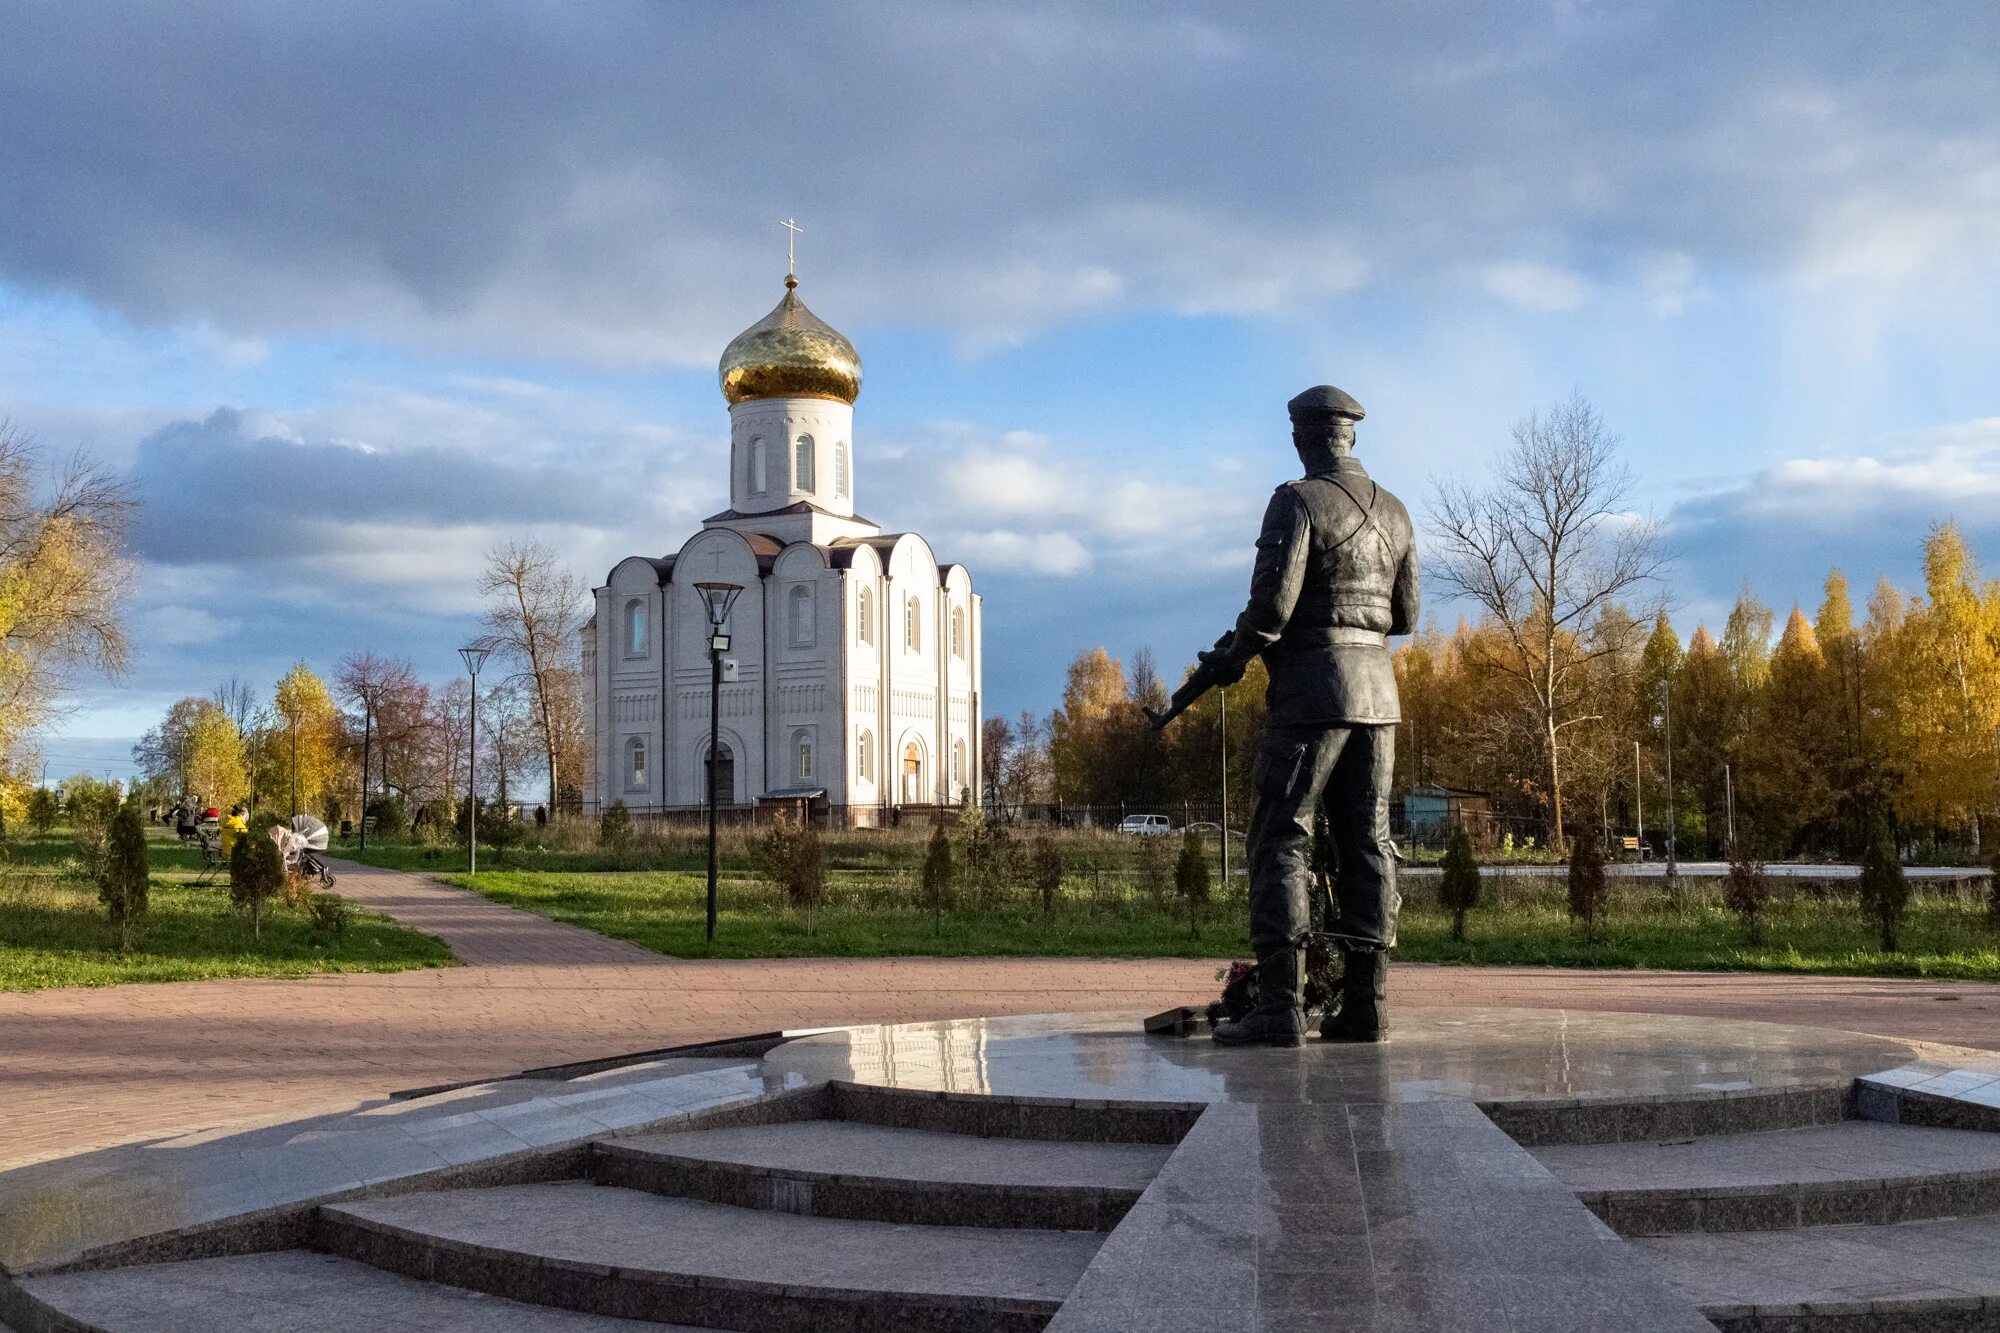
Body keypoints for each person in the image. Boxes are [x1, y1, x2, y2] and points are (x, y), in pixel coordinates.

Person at [1203, 385, 1418, 1047]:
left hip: (1309, 699)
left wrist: (1233, 657)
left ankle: (1281, 1007)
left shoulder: (1295, 502)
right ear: (1349, 436)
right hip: (1379, 700)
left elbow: (1271, 611)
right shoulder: (1398, 512)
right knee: (1369, 844)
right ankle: (1366, 1006)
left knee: (1281, 842)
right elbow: (1406, 618)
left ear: (1303, 436)